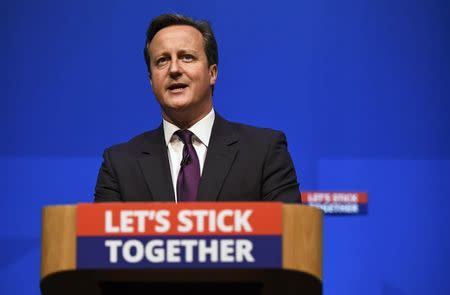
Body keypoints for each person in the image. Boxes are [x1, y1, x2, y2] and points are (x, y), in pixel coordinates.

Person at [94, 13, 300, 203]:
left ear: (212, 73)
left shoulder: (263, 152)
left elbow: (291, 236)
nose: (174, 69)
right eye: (162, 60)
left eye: (187, 57)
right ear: (150, 80)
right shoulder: (120, 164)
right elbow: (100, 241)